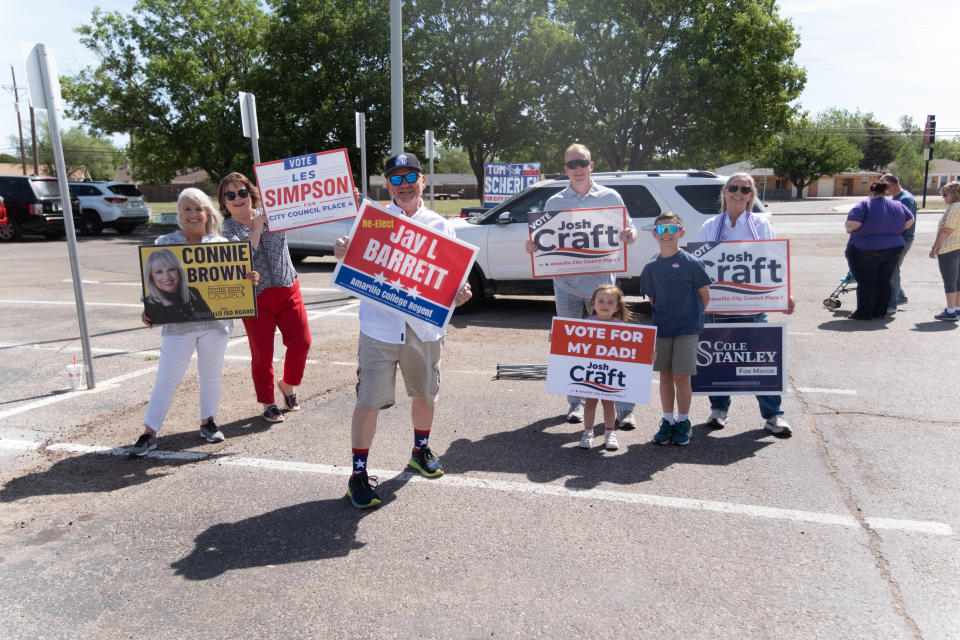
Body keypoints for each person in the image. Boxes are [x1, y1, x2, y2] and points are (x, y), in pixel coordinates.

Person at [333, 152, 473, 509]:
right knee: (368, 402)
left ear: (423, 181)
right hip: (379, 328)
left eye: (410, 176)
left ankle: (420, 450)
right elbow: (357, 265)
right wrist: (344, 254)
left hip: (424, 329)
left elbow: (451, 282)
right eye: (395, 179)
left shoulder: (442, 226)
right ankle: (358, 474)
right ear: (387, 185)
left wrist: (460, 294)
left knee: (425, 393)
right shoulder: (376, 222)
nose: (404, 184)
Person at [129, 188, 259, 456]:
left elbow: (238, 284)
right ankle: (149, 432)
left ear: (207, 212)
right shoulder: (165, 242)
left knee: (211, 375)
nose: (193, 214)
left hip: (216, 325)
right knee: (167, 378)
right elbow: (151, 278)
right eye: (187, 209)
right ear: (179, 214)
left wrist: (249, 281)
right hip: (179, 325)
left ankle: (208, 422)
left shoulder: (222, 246)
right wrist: (147, 306)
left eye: (198, 208)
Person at [524, 143, 638, 428]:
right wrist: (532, 246)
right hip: (565, 287)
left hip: (602, 289)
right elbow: (543, 242)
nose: (577, 169)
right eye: (571, 164)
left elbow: (631, 231)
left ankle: (625, 407)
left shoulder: (610, 196)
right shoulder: (554, 202)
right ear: (565, 169)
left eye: (582, 163)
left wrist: (629, 234)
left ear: (591, 165)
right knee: (571, 348)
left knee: (612, 347)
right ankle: (575, 403)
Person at [696, 172, 796, 437]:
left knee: (762, 361)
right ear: (724, 192)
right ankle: (718, 411)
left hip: (752, 306)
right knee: (718, 361)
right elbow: (700, 267)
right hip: (717, 307)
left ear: (751, 195)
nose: (738, 192)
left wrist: (783, 294)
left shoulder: (761, 224)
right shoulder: (709, 225)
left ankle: (773, 415)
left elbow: (772, 261)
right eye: (733, 188)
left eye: (745, 189)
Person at [220, 172, 312, 423]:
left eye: (242, 192)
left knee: (302, 342)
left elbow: (309, 205)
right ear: (224, 202)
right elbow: (238, 262)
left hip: (287, 287)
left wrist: (344, 198)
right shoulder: (226, 230)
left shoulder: (273, 212)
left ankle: (288, 385)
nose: (238, 198)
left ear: (250, 193)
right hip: (255, 298)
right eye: (230, 195)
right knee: (262, 353)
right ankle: (268, 402)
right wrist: (257, 229)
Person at [639, 213, 712, 446]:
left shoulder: (691, 262)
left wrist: (688, 316)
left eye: (672, 229)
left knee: (682, 377)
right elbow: (652, 299)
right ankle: (667, 421)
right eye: (661, 230)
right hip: (662, 330)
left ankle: (683, 421)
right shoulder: (650, 267)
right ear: (654, 234)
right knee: (665, 376)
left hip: (687, 329)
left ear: (681, 232)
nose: (667, 234)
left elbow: (705, 296)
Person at [844, 181, 914, 321]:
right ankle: (880, 311)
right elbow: (910, 220)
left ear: (871, 192)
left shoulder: (864, 205)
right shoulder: (898, 205)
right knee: (884, 281)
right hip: (893, 248)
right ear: (886, 192)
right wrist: (895, 230)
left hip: (865, 248)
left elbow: (853, 224)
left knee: (866, 282)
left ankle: (864, 313)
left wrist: (849, 229)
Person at [576, 284, 631, 451]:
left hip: (611, 373)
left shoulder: (621, 325)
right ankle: (588, 432)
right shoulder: (587, 323)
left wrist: (649, 354)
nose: (605, 305)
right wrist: (556, 338)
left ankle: (609, 433)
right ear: (593, 303)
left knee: (609, 403)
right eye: (600, 301)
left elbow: (632, 348)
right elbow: (574, 344)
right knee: (590, 402)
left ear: (616, 307)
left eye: (609, 302)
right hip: (591, 371)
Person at [879, 173, 917, 313]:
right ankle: (900, 296)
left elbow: (902, 222)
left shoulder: (905, 199)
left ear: (891, 184)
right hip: (897, 239)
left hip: (901, 240)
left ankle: (892, 303)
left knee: (892, 270)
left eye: (884, 184)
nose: (883, 187)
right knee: (893, 269)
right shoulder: (897, 197)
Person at [142, 249, 213, 324]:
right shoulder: (151, 304)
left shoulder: (193, 292)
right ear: (151, 276)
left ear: (179, 271)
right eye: (159, 272)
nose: (167, 276)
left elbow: (210, 318)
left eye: (171, 269)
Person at [929, 181, 960, 321]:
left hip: (950, 248)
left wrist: (934, 248)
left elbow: (947, 230)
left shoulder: (954, 207)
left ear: (954, 194)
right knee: (958, 280)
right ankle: (957, 307)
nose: (944, 198)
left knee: (949, 280)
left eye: (945, 195)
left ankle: (951, 310)